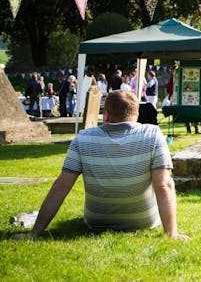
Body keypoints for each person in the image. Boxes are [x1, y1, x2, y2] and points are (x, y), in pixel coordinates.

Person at [12, 90, 189, 241]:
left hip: (96, 222)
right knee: (166, 179)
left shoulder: (83, 138)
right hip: (143, 221)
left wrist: (35, 232)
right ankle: (169, 231)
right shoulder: (153, 134)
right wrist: (172, 233)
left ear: (106, 114)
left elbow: (61, 186)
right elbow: (163, 185)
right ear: (136, 113)